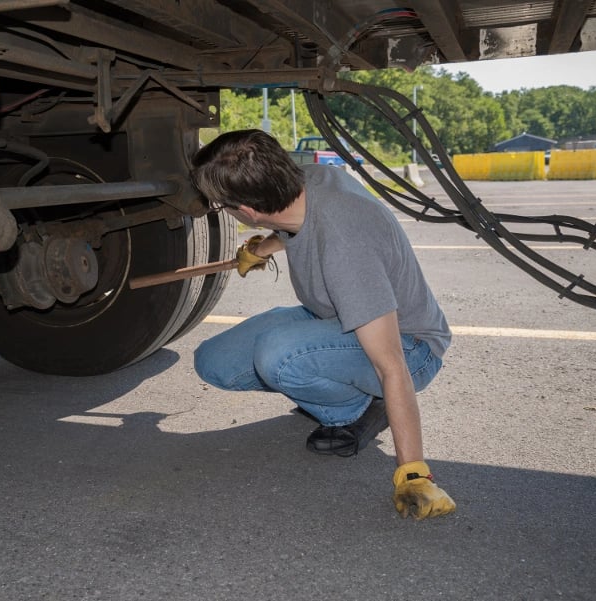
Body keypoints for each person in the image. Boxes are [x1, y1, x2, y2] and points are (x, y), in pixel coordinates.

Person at [190, 129, 455, 520]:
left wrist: (413, 472)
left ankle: (354, 411)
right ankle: (338, 385)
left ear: (245, 213)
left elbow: (391, 363)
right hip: (334, 318)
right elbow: (293, 226)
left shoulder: (346, 248)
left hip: (409, 345)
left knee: (277, 357)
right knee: (213, 361)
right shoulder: (306, 180)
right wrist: (259, 250)